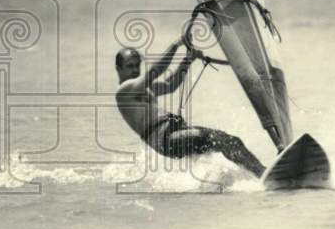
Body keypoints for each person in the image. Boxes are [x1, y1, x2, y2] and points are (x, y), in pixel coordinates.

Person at [114, 42, 266, 177]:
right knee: (222, 141)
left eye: (137, 65)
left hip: (175, 133)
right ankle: (262, 174)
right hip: (167, 141)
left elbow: (171, 85)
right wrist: (176, 45)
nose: (135, 70)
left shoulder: (145, 88)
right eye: (129, 66)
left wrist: (187, 60)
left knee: (231, 141)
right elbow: (156, 70)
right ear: (118, 68)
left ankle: (259, 174)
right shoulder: (123, 91)